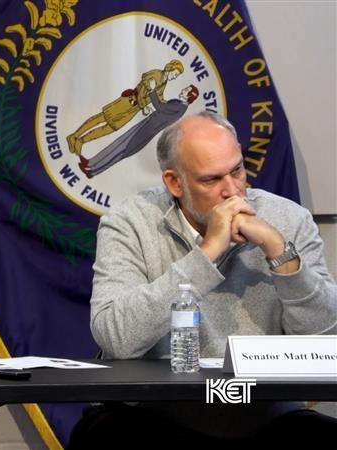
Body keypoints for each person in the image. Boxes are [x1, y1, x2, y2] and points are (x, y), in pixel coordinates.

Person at [68, 112, 337, 447]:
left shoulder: (289, 219)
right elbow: (116, 338)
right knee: (101, 436)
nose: (233, 191)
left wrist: (280, 253)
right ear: (174, 183)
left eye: (237, 171)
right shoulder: (129, 222)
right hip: (157, 415)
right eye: (211, 180)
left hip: (266, 417)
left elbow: (326, 339)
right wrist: (207, 253)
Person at [78, 85, 199, 178]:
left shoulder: (179, 107)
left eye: (186, 90)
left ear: (189, 95)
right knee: (117, 145)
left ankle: (93, 171)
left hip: (146, 131)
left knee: (119, 152)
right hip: (146, 124)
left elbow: (160, 106)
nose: (183, 89)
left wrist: (152, 91)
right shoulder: (177, 103)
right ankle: (91, 163)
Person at [66, 59, 183, 155]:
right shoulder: (156, 74)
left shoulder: (164, 83)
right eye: (175, 74)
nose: (175, 77)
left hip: (133, 110)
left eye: (177, 76)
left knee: (109, 129)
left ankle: (81, 141)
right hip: (128, 102)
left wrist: (168, 106)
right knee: (102, 118)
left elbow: (159, 97)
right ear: (170, 68)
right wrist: (144, 107)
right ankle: (74, 136)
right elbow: (142, 91)